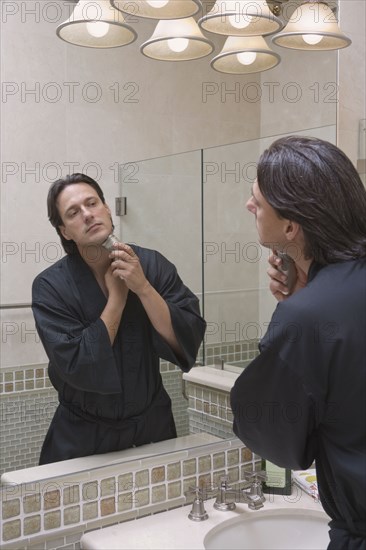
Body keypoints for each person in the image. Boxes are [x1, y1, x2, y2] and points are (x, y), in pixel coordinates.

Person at [230, 136, 366, 549]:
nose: (249, 206)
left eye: (258, 200)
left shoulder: (305, 317)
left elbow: (278, 442)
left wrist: (295, 309)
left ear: (290, 227)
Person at [32, 173, 206, 465]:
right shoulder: (51, 287)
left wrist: (143, 288)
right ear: (65, 231)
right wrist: (118, 298)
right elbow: (78, 364)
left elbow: (184, 338)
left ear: (107, 209)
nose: (87, 215)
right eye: (74, 213)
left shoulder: (151, 264)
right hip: (84, 436)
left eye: (93, 203)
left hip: (151, 427)